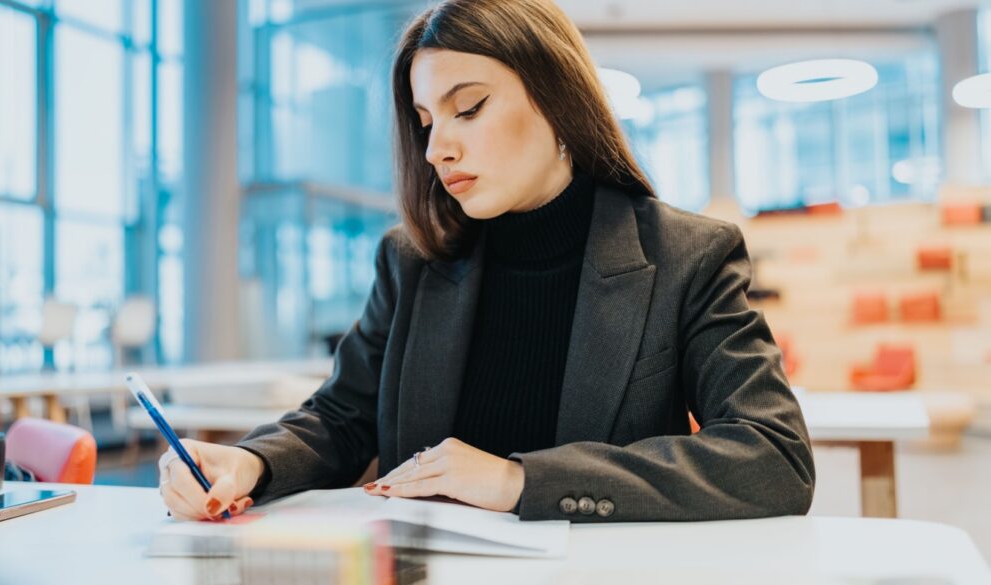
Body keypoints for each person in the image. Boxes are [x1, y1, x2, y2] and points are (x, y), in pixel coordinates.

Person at [158, 0, 815, 523]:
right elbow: (342, 418)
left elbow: (773, 456)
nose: (437, 149)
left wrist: (520, 480)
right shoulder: (411, 261)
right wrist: (251, 463)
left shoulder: (686, 256)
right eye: (425, 121)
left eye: (468, 109)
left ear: (559, 102)